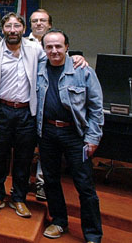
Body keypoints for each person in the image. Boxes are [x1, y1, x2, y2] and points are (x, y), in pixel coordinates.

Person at [37, 30, 103, 242]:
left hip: (75, 135)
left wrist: (93, 138)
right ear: (44, 49)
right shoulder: (38, 69)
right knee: (50, 180)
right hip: (47, 133)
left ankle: (92, 233)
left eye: (58, 46)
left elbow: (96, 108)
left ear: (67, 47)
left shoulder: (83, 70)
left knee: (84, 185)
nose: (54, 50)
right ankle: (59, 221)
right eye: (49, 47)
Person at [0, 12, 43, 218]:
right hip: (2, 112)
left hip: (26, 112)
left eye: (16, 26)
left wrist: (75, 57)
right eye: (8, 26)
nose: (12, 30)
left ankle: (19, 198)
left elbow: (55, 59)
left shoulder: (35, 50)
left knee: (24, 158)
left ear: (23, 29)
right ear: (2, 29)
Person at [27, 8, 53, 201]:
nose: (38, 24)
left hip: (47, 104)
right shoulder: (21, 43)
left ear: (49, 25)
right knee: (24, 146)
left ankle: (42, 183)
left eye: (42, 20)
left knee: (46, 147)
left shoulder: (55, 44)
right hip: (26, 103)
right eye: (35, 21)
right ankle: (21, 182)